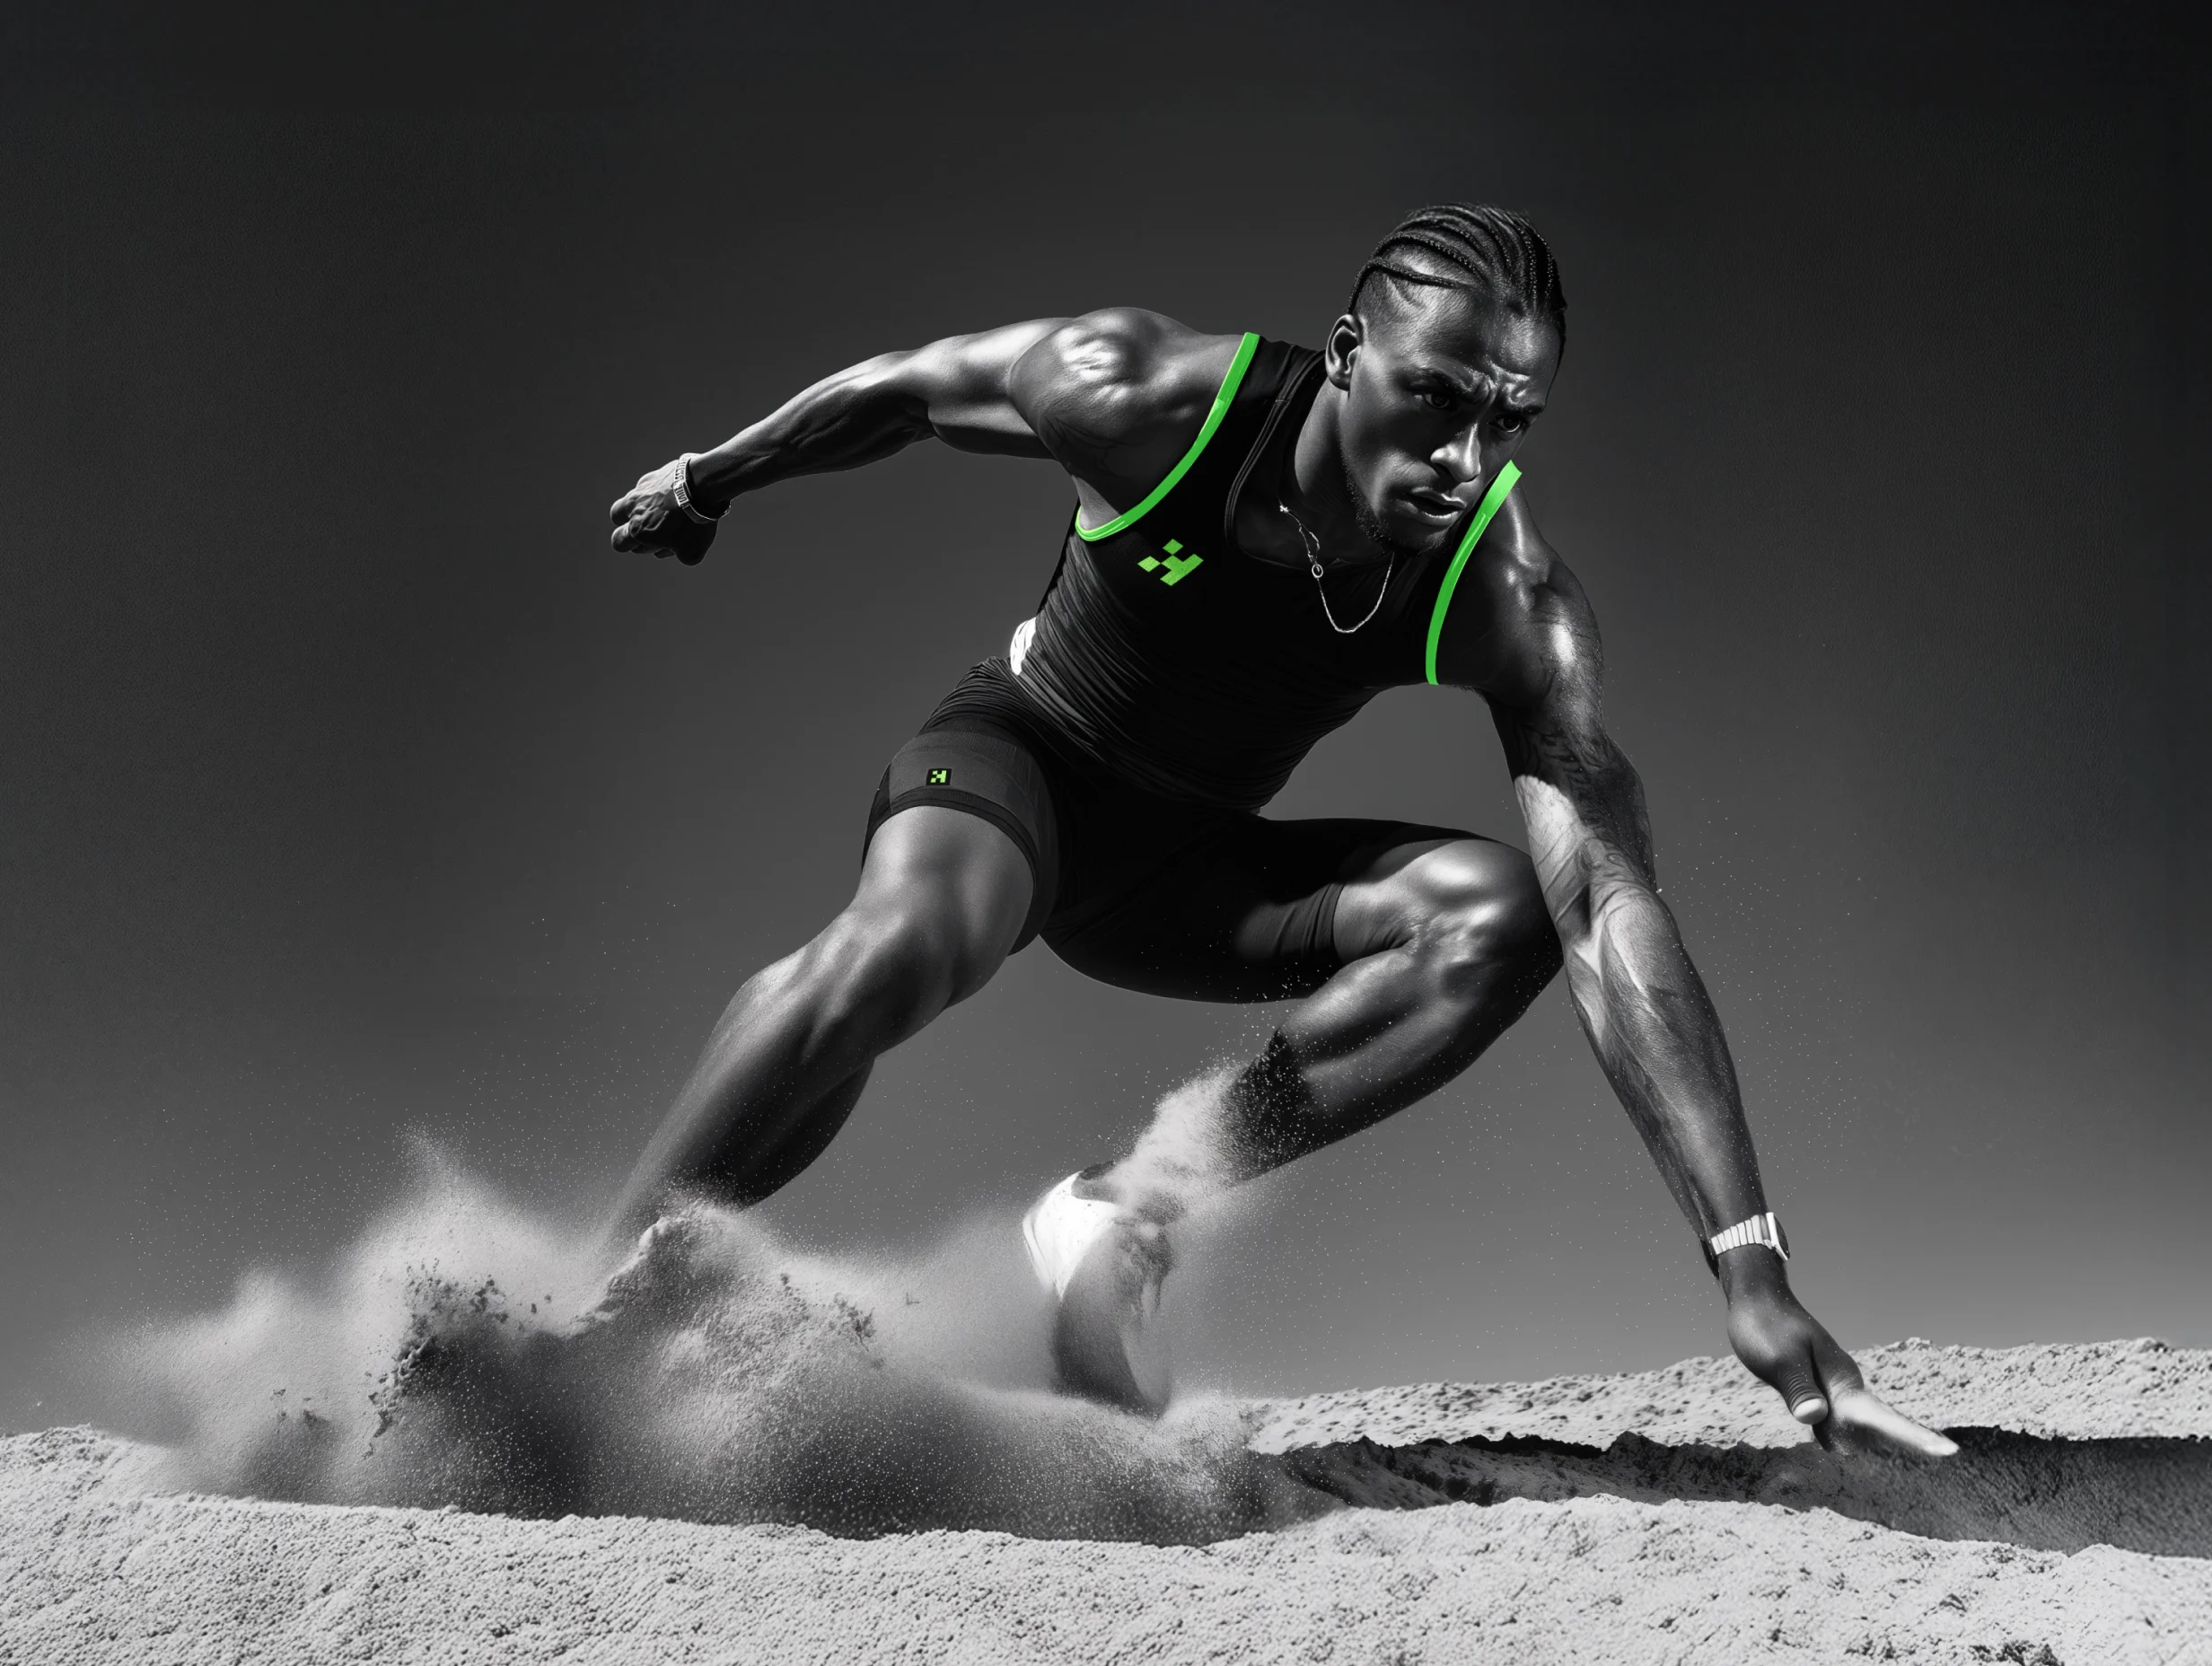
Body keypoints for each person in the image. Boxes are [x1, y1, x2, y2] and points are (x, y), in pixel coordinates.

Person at [605, 203, 1954, 1458]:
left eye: (1510, 422)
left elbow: (1607, 907)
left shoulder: (1503, 590)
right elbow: (906, 390)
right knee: (906, 948)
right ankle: (596, 1312)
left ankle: (1125, 1209)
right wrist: (711, 479)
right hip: (1016, 773)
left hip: (1188, 873)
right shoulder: (1140, 396)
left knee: (1507, 917)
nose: (1463, 461)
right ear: (1352, 355)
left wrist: (1750, 1264)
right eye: (1435, 401)